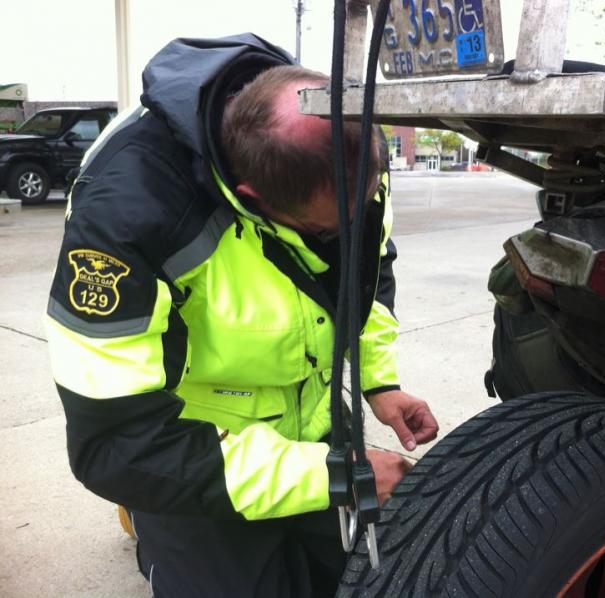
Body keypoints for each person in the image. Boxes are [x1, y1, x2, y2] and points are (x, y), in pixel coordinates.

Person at [44, 33, 439, 597]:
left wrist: (380, 382)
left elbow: (370, 275)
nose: (340, 239)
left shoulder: (348, 148)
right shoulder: (125, 220)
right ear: (252, 197)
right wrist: (329, 477)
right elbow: (115, 444)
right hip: (199, 450)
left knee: (393, 574)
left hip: (314, 428)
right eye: (325, 231)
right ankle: (149, 523)